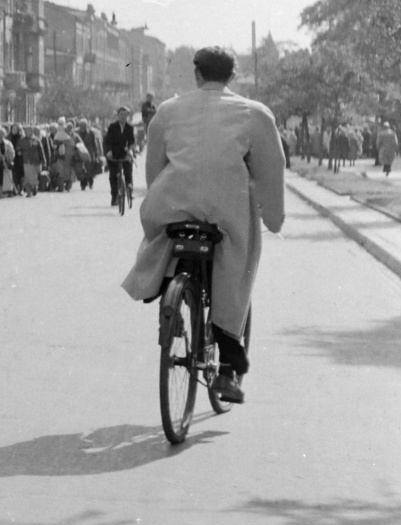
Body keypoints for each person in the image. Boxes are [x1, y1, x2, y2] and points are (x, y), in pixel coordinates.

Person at [122, 46, 286, 404]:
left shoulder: (167, 111)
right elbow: (272, 172)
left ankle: (167, 291)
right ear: (232, 75)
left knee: (163, 238)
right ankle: (228, 362)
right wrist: (272, 216)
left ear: (196, 74)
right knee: (238, 262)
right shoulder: (254, 114)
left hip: (173, 204)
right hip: (226, 210)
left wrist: (160, 198)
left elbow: (155, 169)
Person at [103, 106, 137, 207]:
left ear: (127, 116)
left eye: (125, 115)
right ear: (118, 116)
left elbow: (131, 141)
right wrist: (108, 151)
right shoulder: (112, 127)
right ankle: (114, 197)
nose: (123, 117)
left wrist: (130, 149)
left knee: (128, 169)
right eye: (121, 114)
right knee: (113, 176)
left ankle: (129, 186)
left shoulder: (130, 128)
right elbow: (107, 141)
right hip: (113, 154)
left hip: (124, 153)